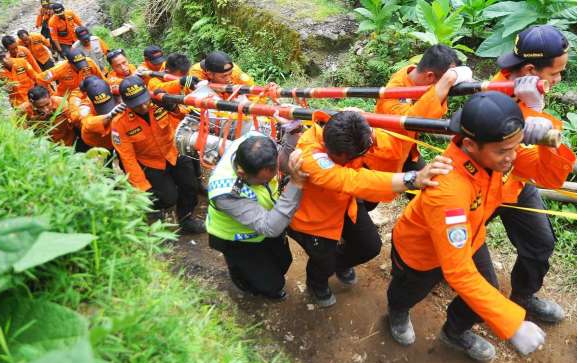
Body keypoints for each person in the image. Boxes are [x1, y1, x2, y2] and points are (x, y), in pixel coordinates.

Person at [386, 92, 576, 362]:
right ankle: (397, 311)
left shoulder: (497, 152)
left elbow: (550, 176)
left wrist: (549, 139)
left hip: (471, 239)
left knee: (485, 289)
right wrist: (511, 323)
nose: (512, 157)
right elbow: (458, 270)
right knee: (409, 291)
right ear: (470, 144)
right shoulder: (449, 190)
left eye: (517, 146)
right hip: (422, 253)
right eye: (504, 151)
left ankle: (454, 332)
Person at [287, 111, 454, 307]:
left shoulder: (348, 135)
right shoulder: (310, 159)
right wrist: (413, 179)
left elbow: (390, 146)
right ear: (341, 156)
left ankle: (339, 263)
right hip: (315, 222)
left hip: (345, 203)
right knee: (323, 260)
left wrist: (369, 131)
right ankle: (317, 283)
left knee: (369, 246)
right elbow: (356, 180)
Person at [486, 24, 571, 323]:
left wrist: (535, 109)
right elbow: (547, 175)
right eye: (554, 74)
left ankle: (524, 295)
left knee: (540, 243)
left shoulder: (522, 90)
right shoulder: (493, 99)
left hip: (515, 183)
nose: (558, 80)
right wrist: (535, 112)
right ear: (531, 69)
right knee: (456, 243)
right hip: (481, 186)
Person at [207, 131, 307, 300]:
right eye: (263, 182)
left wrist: (292, 136)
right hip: (237, 239)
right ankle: (243, 282)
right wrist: (295, 184)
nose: (269, 182)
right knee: (270, 283)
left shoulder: (257, 143)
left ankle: (263, 282)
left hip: (263, 225)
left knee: (284, 260)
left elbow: (281, 163)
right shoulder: (225, 192)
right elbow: (269, 227)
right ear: (242, 174)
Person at [111, 76, 205, 233]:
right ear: (125, 102)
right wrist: (142, 187)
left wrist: (174, 107)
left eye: (144, 100)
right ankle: (155, 207)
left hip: (173, 152)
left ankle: (186, 218)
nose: (143, 106)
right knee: (167, 197)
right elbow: (127, 158)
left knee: (190, 186)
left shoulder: (159, 102)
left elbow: (186, 117)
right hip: (151, 162)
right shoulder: (119, 122)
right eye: (136, 103)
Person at [370, 45, 471, 174]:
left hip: (408, 150)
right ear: (430, 76)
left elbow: (433, 116)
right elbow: (413, 121)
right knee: (379, 191)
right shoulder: (392, 96)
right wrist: (447, 80)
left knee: (425, 186)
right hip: (385, 155)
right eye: (444, 82)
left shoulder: (411, 72)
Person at [74, 76, 125, 149]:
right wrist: (107, 116)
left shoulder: (115, 89)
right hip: (99, 142)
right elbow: (87, 123)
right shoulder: (85, 106)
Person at [38, 48, 106, 98]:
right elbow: (40, 79)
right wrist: (51, 95)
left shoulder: (90, 63)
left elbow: (101, 78)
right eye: (77, 65)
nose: (81, 68)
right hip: (66, 98)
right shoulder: (60, 69)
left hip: (87, 95)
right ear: (69, 63)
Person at [189, 51, 255, 90]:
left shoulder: (235, 71)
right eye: (223, 76)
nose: (229, 79)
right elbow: (194, 99)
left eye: (230, 74)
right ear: (210, 75)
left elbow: (254, 94)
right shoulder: (195, 73)